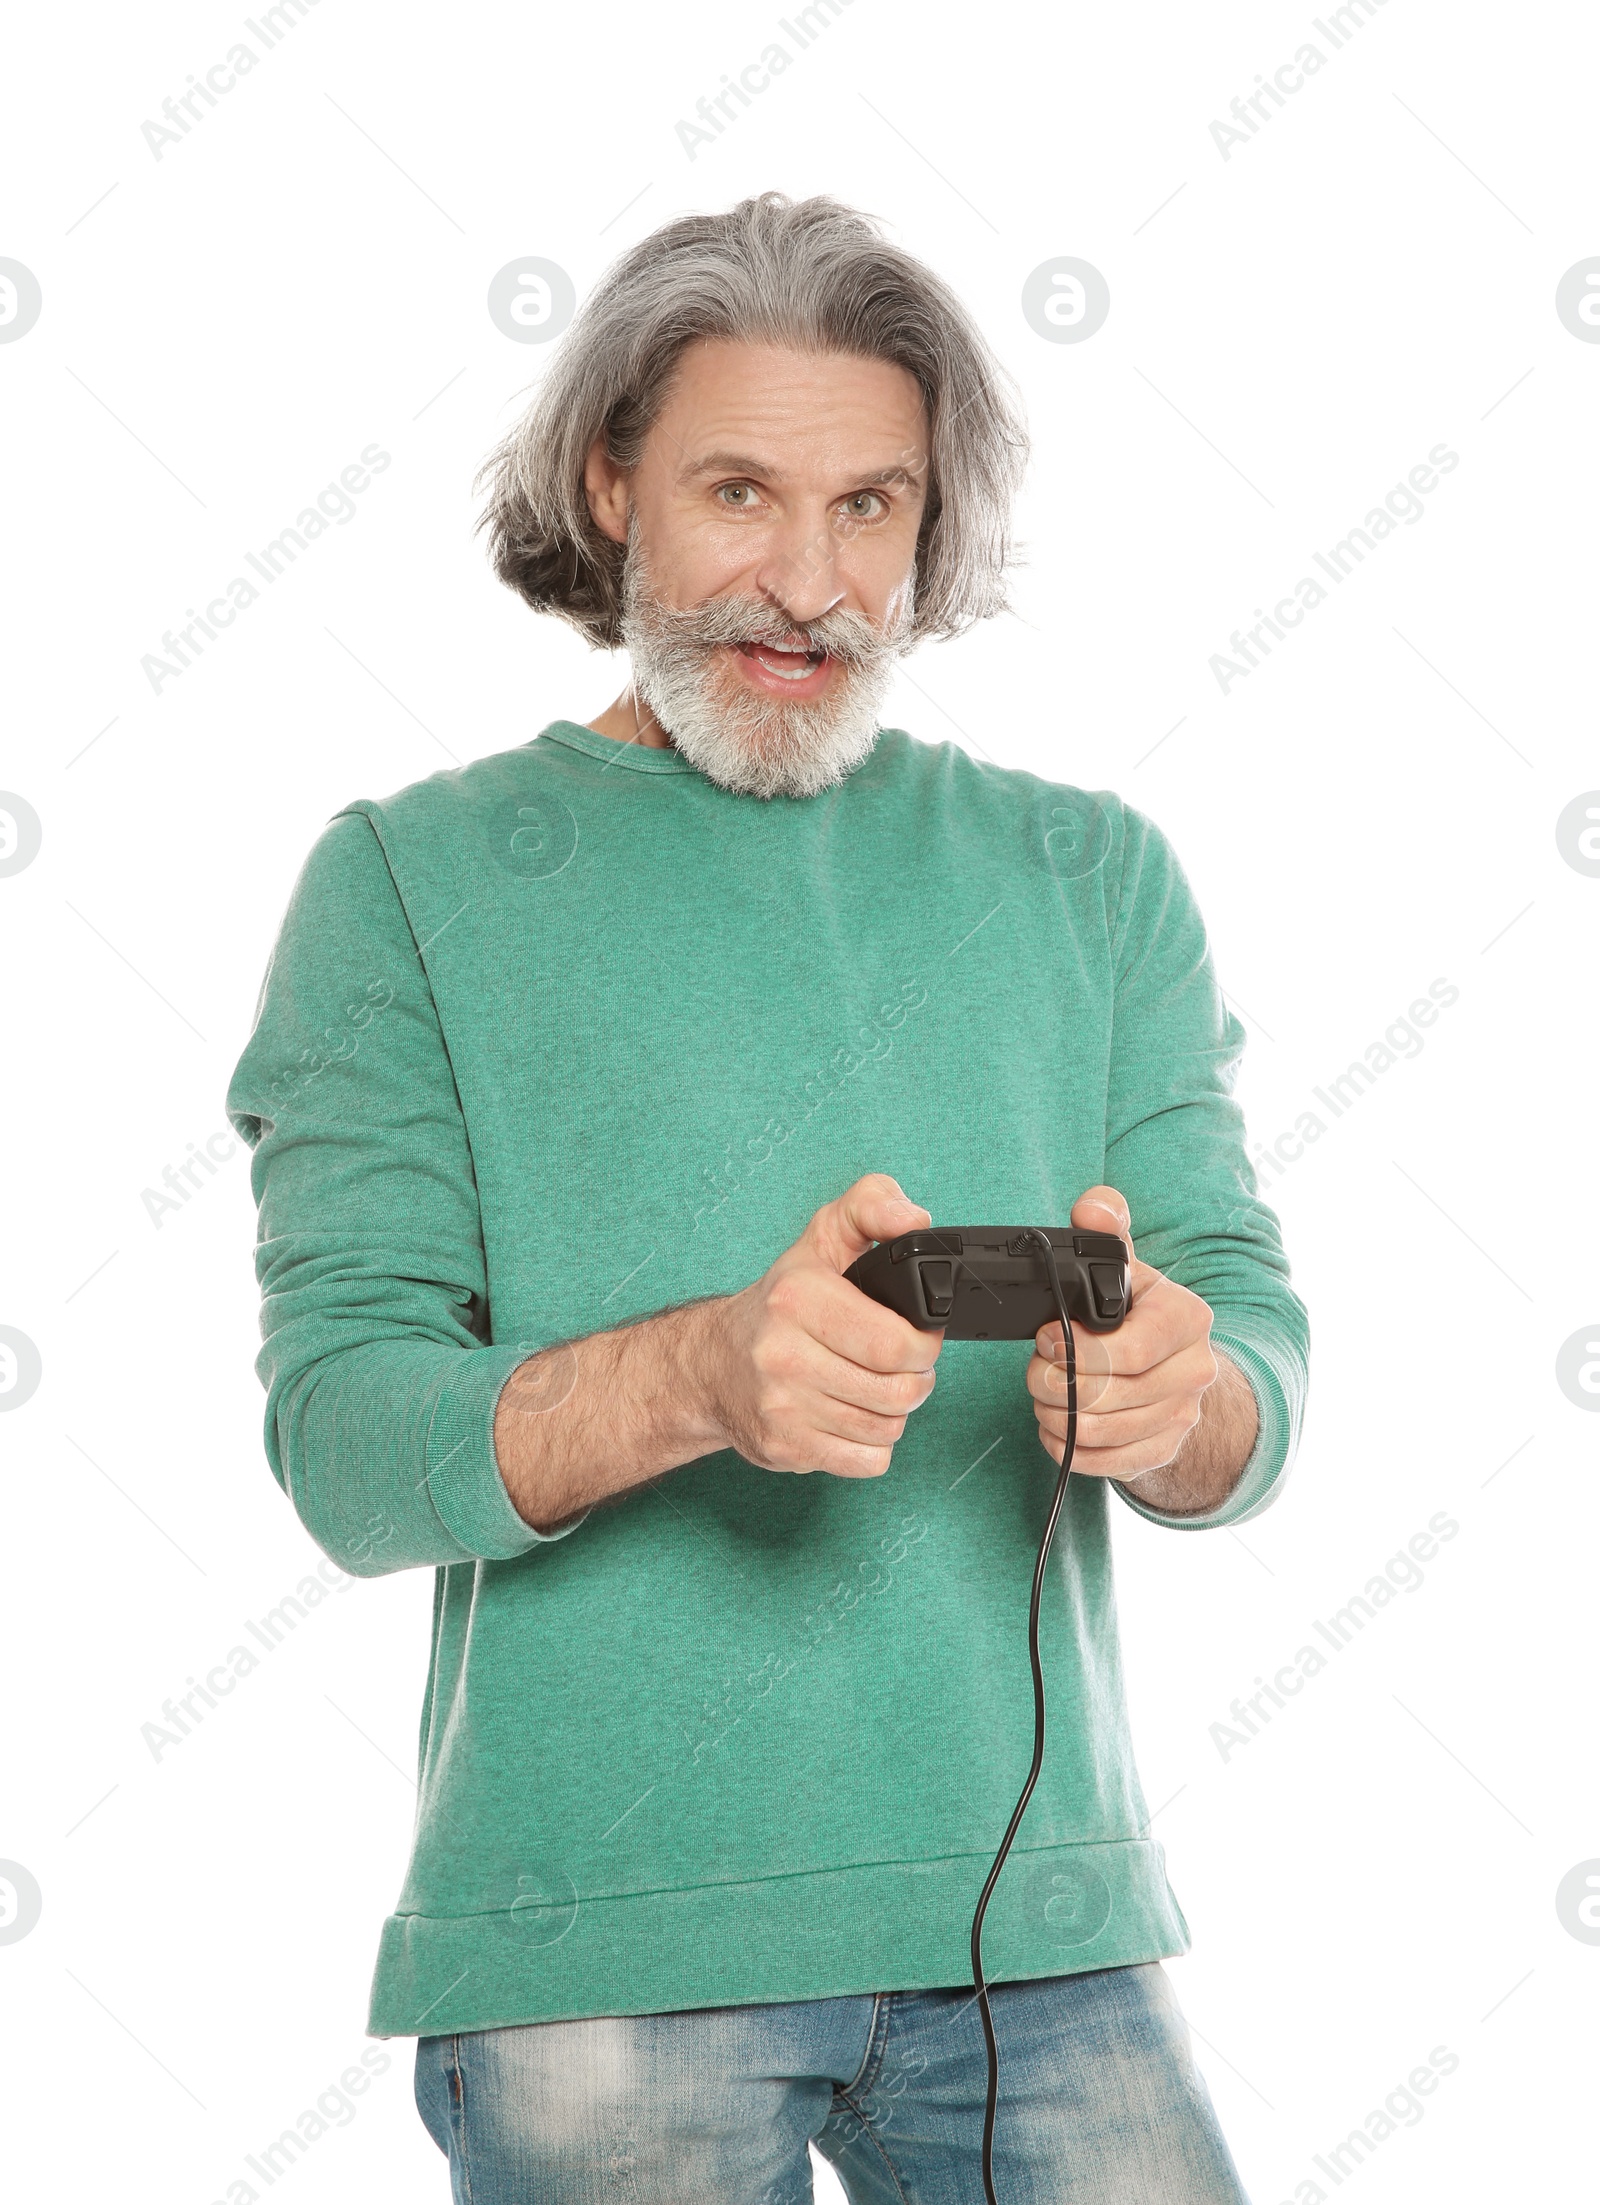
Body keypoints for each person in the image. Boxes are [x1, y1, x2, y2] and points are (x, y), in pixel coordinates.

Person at [226, 190, 1308, 2204]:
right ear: (608, 479)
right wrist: (700, 1376)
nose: (806, 586)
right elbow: (346, 1444)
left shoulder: (1090, 876)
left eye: (869, 508)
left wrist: (1191, 1398)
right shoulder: (406, 885)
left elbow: (1240, 1330)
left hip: (1044, 1941)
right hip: (593, 1962)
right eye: (739, 491)